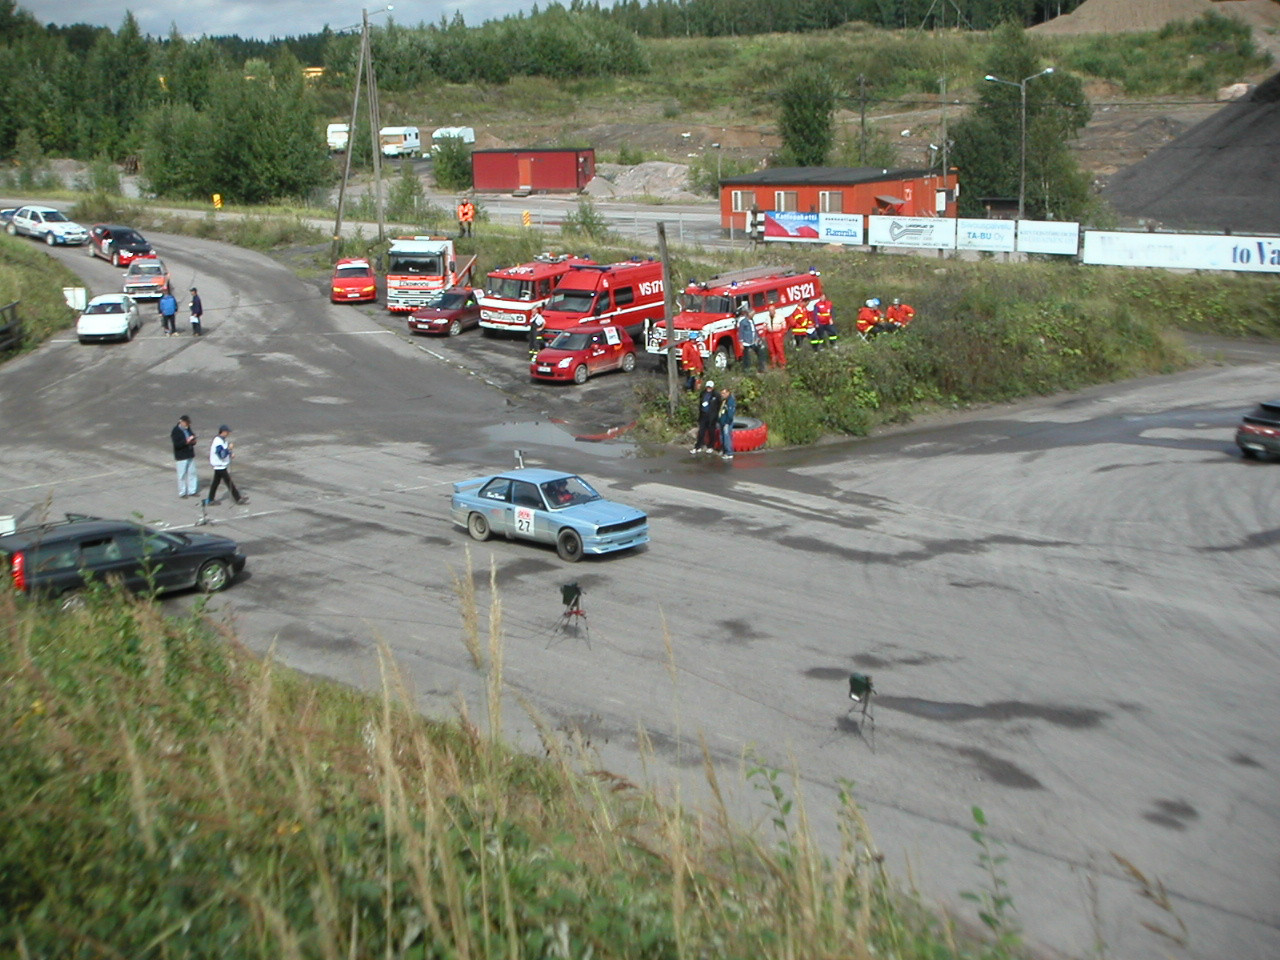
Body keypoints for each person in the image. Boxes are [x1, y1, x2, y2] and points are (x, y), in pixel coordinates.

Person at [203, 425, 247, 506]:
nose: (228, 434)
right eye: (227, 432)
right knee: (228, 482)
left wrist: (230, 454)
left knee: (215, 483)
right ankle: (238, 498)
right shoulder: (217, 442)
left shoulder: (223, 441)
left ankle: (210, 499)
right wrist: (229, 449)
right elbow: (222, 455)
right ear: (223, 432)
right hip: (220, 465)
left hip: (221, 465)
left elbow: (225, 452)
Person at [170, 414, 199, 498]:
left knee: (192, 473)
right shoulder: (175, 431)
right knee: (182, 475)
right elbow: (177, 444)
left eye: (188, 423)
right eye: (186, 423)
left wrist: (193, 440)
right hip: (181, 456)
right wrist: (186, 442)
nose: (188, 425)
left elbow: (192, 436)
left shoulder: (188, 429)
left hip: (189, 454)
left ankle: (192, 491)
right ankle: (182, 492)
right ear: (181, 422)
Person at [691, 380, 720, 454]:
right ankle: (698, 446)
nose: (708, 388)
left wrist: (716, 416)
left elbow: (718, 406)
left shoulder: (716, 395)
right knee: (701, 431)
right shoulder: (703, 393)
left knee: (711, 432)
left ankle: (711, 446)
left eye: (710, 387)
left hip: (711, 417)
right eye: (708, 387)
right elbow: (701, 403)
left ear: (713, 387)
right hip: (703, 415)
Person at [736, 304, 765, 372]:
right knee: (746, 357)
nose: (754, 315)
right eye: (753, 314)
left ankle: (761, 367)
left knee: (760, 352)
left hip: (753, 340)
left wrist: (757, 338)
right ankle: (746, 370)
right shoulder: (743, 322)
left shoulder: (752, 321)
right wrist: (741, 342)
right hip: (746, 341)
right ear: (749, 314)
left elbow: (754, 330)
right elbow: (741, 332)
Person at [717, 386, 736, 461]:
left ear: (728, 393)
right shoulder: (724, 400)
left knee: (727, 437)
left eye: (724, 393)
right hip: (722, 422)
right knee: (722, 437)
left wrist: (727, 422)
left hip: (726, 423)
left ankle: (729, 453)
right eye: (721, 393)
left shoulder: (730, 401)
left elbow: (730, 413)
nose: (722, 394)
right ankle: (724, 450)